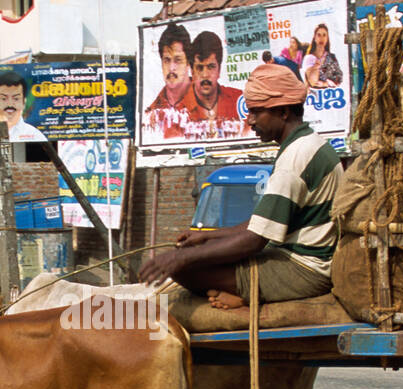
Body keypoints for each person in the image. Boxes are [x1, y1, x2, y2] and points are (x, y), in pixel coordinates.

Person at [140, 62, 337, 312]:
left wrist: (177, 259)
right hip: (297, 258)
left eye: (256, 111)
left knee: (186, 269)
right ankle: (242, 289)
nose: (249, 119)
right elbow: (261, 225)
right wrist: (207, 236)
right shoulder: (308, 145)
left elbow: (254, 240)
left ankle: (249, 294)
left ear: (284, 112)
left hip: (304, 269)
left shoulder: (294, 158)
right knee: (196, 253)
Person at [185, 30, 244, 140]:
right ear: (192, 72)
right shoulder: (177, 110)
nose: (205, 75)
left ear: (219, 70)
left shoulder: (238, 100)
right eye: (199, 68)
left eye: (211, 67)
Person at [143, 22, 196, 140]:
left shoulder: (207, 103)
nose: (171, 68)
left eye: (178, 60)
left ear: (188, 63)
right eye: (167, 60)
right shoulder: (151, 112)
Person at [0, 71, 47, 142]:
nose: (10, 104)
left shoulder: (35, 135)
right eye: (3, 98)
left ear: (24, 103)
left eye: (16, 98)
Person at [303, 23, 344, 88]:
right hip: (314, 96)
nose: (321, 38)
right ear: (314, 37)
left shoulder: (331, 57)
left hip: (331, 94)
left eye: (324, 35)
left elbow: (339, 77)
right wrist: (316, 66)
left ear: (327, 38)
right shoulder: (309, 58)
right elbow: (313, 82)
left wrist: (325, 84)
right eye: (319, 35)